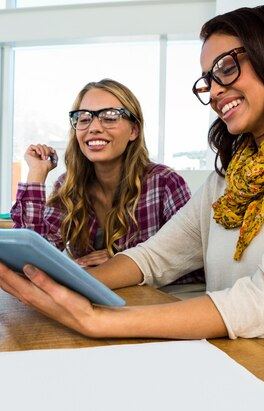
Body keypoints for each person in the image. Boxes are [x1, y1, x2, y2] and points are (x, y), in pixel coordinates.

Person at [0, 6, 264, 393]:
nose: (213, 92)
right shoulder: (229, 179)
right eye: (207, 81)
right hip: (236, 369)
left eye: (226, 69)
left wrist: (99, 320)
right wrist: (57, 280)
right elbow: (153, 257)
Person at [11, 79, 200, 285]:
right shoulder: (68, 187)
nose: (94, 128)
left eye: (110, 117)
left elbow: (185, 257)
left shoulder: (164, 183)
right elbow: (32, 257)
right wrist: (36, 174)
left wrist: (125, 264)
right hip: (98, 298)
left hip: (162, 301)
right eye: (84, 119)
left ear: (134, 131)